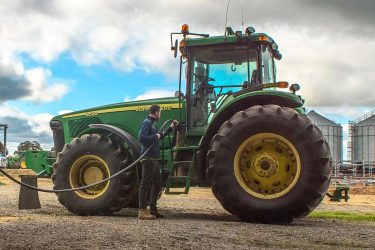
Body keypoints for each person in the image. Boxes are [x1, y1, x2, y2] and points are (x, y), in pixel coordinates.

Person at [138, 104, 177, 220]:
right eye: (160, 112)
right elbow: (142, 138)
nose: (160, 114)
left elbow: (159, 136)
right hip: (148, 158)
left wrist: (170, 128)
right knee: (145, 184)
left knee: (157, 184)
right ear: (155, 112)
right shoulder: (147, 123)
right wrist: (157, 136)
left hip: (153, 159)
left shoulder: (153, 124)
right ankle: (142, 211)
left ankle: (153, 210)